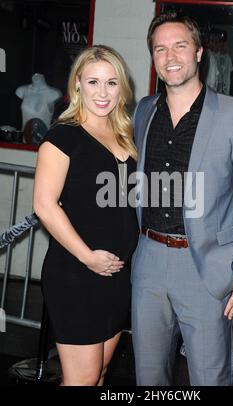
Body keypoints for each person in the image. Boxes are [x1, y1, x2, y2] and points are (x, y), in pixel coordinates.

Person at [131, 12, 233, 386]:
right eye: (160, 49)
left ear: (199, 53)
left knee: (210, 377)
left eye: (180, 46)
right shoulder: (144, 110)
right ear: (153, 57)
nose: (170, 56)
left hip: (207, 267)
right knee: (148, 375)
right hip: (148, 261)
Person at [33, 45, 139, 386]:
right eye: (93, 82)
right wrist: (88, 257)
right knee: (82, 379)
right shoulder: (63, 136)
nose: (103, 92)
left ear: (122, 87)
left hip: (116, 276)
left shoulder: (125, 136)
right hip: (77, 274)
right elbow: (44, 205)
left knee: (100, 376)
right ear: (77, 84)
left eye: (111, 83)